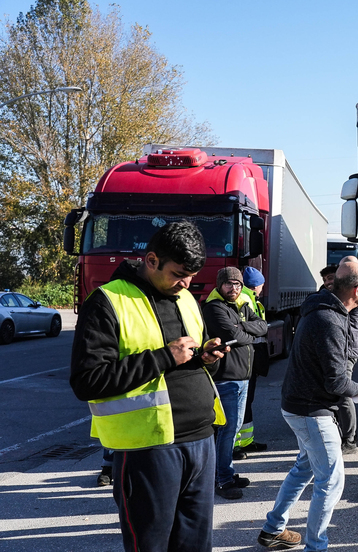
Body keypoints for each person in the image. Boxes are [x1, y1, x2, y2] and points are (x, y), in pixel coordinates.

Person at [70, 221, 228, 552]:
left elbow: (183, 359)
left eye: (192, 276)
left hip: (200, 440)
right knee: (150, 545)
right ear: (151, 259)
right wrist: (164, 357)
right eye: (178, 273)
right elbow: (88, 381)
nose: (185, 283)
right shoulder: (107, 301)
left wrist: (204, 357)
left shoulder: (185, 298)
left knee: (196, 545)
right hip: (148, 448)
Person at [258, 261, 358, 551]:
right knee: (331, 480)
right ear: (357, 289)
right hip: (310, 410)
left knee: (304, 467)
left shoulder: (332, 310)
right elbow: (337, 381)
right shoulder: (328, 321)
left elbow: (351, 352)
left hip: (302, 406)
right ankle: (316, 546)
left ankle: (272, 529)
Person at [203, 267, 268, 500]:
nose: (234, 289)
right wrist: (244, 332)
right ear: (220, 285)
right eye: (229, 284)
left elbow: (263, 326)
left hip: (243, 378)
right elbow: (236, 336)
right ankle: (221, 479)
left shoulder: (242, 304)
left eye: (238, 285)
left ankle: (226, 472)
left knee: (234, 428)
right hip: (226, 378)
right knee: (226, 430)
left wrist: (243, 329)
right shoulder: (214, 307)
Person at [232, 266, 271, 459]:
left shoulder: (246, 297)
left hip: (249, 355)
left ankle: (245, 441)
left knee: (246, 402)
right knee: (242, 402)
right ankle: (235, 445)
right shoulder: (246, 299)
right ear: (258, 285)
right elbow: (253, 329)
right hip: (247, 356)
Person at [336, 256, 358, 454]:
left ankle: (350, 438)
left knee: (344, 392)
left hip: (347, 348)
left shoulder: (355, 293)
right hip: (343, 346)